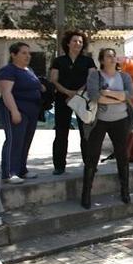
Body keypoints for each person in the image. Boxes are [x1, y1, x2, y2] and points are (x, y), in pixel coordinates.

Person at [81, 48, 133, 209]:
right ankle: (86, 194)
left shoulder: (124, 76)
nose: (112, 58)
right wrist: (118, 97)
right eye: (108, 56)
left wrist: (107, 94)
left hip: (121, 120)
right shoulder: (95, 76)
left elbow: (129, 94)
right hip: (99, 121)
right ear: (102, 60)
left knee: (122, 156)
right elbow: (95, 96)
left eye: (114, 56)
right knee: (92, 156)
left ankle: (125, 190)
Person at [49, 30, 96, 175]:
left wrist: (77, 94)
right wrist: (68, 92)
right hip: (63, 99)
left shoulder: (88, 61)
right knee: (61, 132)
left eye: (81, 42)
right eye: (75, 41)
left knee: (86, 133)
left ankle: (89, 164)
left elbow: (92, 78)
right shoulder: (59, 61)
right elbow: (53, 80)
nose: (78, 44)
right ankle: (59, 166)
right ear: (68, 43)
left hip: (83, 99)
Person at [0, 42, 44, 185]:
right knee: (14, 140)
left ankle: (21, 170)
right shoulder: (8, 70)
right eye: (24, 53)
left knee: (25, 141)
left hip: (32, 111)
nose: (28, 56)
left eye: (28, 53)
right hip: (16, 109)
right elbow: (6, 92)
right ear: (13, 54)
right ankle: (9, 173)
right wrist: (14, 111)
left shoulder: (29, 70)